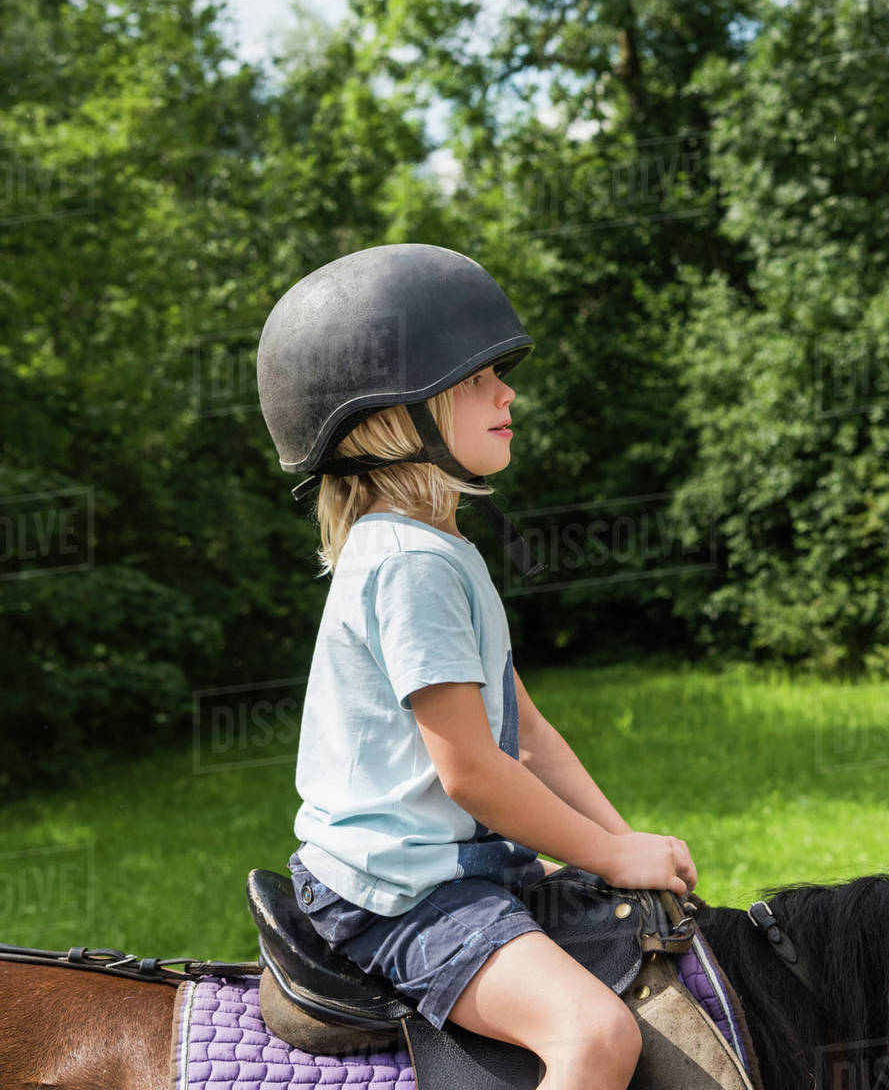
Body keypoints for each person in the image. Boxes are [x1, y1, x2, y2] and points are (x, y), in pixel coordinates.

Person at [255, 244, 697, 1090]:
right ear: (393, 413)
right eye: (477, 378)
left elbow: (527, 735)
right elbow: (475, 775)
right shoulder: (410, 564)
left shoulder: (436, 550)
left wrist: (625, 844)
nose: (509, 392)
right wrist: (609, 857)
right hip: (401, 893)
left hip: (454, 869)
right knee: (596, 1038)